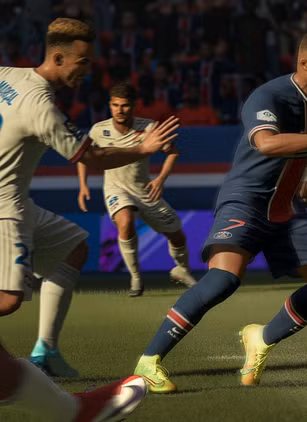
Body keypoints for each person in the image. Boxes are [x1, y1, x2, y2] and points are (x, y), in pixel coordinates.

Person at [132, 29, 307, 393]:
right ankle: (149, 361)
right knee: (222, 280)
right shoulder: (267, 96)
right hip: (246, 199)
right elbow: (266, 143)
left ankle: (260, 339)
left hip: (287, 206)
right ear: (303, 63)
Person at [0, 17, 178, 419]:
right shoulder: (40, 105)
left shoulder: (7, 74)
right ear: (58, 58)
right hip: (4, 204)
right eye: (82, 62)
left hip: (17, 199)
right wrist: (143, 147)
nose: (87, 70)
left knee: (73, 246)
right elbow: (92, 157)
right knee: (8, 299)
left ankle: (45, 350)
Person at [77, 82, 196, 297]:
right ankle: (136, 277)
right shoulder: (98, 130)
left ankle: (182, 270)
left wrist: (160, 179)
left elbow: (172, 152)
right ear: (110, 105)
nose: (120, 110)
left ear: (133, 106)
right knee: (125, 222)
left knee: (177, 236)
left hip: (145, 190)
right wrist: (83, 185)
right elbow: (83, 157)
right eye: (115, 105)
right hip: (116, 188)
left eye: (124, 105)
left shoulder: (148, 127)